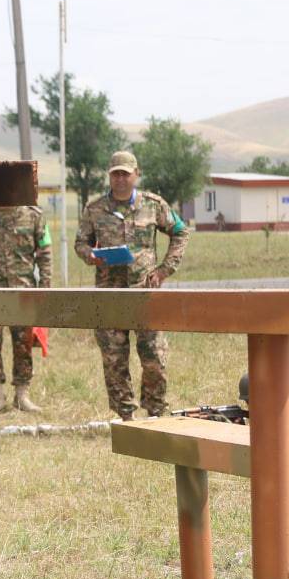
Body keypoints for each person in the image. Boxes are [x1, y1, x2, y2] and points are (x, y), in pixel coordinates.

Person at [75, 150, 190, 420]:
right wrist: (89, 255)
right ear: (109, 176)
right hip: (109, 296)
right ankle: (125, 416)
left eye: (125, 174)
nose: (120, 179)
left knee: (155, 359)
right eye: (115, 174)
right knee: (114, 360)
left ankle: (155, 413)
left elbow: (181, 231)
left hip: (145, 295)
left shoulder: (153, 205)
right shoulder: (95, 209)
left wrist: (164, 269)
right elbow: (81, 242)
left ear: (136, 174)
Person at [0, 205, 53, 413]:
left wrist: (46, 288)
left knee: (23, 344)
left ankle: (22, 395)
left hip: (22, 291)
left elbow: (45, 253)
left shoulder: (35, 217)